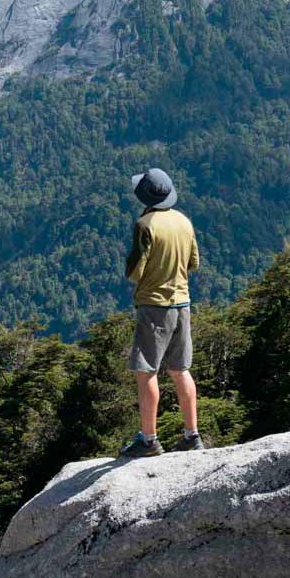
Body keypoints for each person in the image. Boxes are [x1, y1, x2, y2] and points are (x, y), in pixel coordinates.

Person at [119, 167, 204, 457]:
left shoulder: (145, 225)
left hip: (154, 306)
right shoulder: (184, 221)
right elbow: (193, 262)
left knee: (146, 371)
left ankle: (149, 439)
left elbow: (134, 270)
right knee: (181, 369)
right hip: (183, 303)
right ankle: (192, 435)